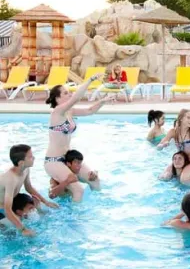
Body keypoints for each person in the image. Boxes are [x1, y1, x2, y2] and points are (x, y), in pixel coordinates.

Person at [44, 74, 111, 202]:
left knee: (94, 179)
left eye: (69, 92)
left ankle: (101, 205)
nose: (69, 94)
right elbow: (76, 98)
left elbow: (90, 111)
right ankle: (75, 214)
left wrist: (103, 101)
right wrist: (90, 80)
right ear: (57, 98)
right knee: (78, 189)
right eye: (65, 93)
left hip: (69, 158)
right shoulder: (57, 112)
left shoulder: (70, 111)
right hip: (54, 161)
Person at [0, 145, 58, 236]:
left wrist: (46, 202)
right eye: (30, 157)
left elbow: (29, 187)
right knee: (15, 229)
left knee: (33, 214)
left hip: (9, 205)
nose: (34, 158)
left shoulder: (25, 170)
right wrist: (23, 230)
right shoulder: (10, 179)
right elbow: (7, 210)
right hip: (2, 209)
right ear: (21, 163)